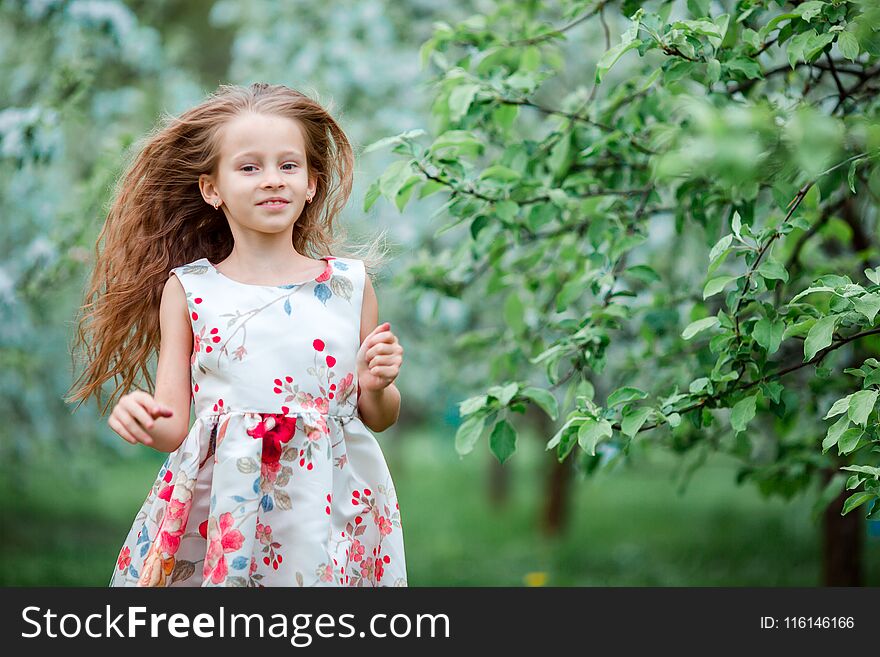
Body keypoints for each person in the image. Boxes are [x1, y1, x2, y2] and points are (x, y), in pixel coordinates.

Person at [65, 82, 407, 587]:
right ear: (212, 188)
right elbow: (174, 427)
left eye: (288, 166)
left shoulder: (348, 285)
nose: (272, 180)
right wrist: (143, 416)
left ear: (312, 182)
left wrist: (376, 384)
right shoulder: (190, 290)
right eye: (250, 167)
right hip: (227, 508)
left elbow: (377, 416)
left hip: (328, 509)